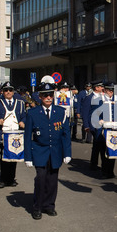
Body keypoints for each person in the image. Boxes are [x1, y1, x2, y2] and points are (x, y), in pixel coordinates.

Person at [24, 82, 72, 220]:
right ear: (40, 97)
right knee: (40, 179)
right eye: (45, 95)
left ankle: (49, 206)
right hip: (39, 151)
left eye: (50, 95)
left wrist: (67, 153)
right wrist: (27, 157)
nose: (48, 98)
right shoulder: (33, 113)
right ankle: (37, 207)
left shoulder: (61, 112)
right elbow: (27, 137)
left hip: (55, 151)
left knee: (52, 180)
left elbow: (66, 134)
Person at [0, 81, 26, 188]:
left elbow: (24, 115)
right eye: (6, 90)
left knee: (14, 156)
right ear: (2, 91)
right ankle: (3, 179)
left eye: (10, 90)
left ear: (13, 91)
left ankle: (11, 179)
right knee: (4, 155)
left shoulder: (20, 103)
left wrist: (23, 122)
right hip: (4, 134)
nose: (8, 92)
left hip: (16, 134)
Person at [82, 80, 106, 171]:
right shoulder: (89, 98)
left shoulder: (103, 97)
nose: (102, 88)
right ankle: (98, 164)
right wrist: (86, 125)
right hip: (93, 124)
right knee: (99, 143)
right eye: (100, 87)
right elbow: (85, 112)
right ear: (96, 88)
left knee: (97, 144)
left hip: (102, 123)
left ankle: (94, 163)